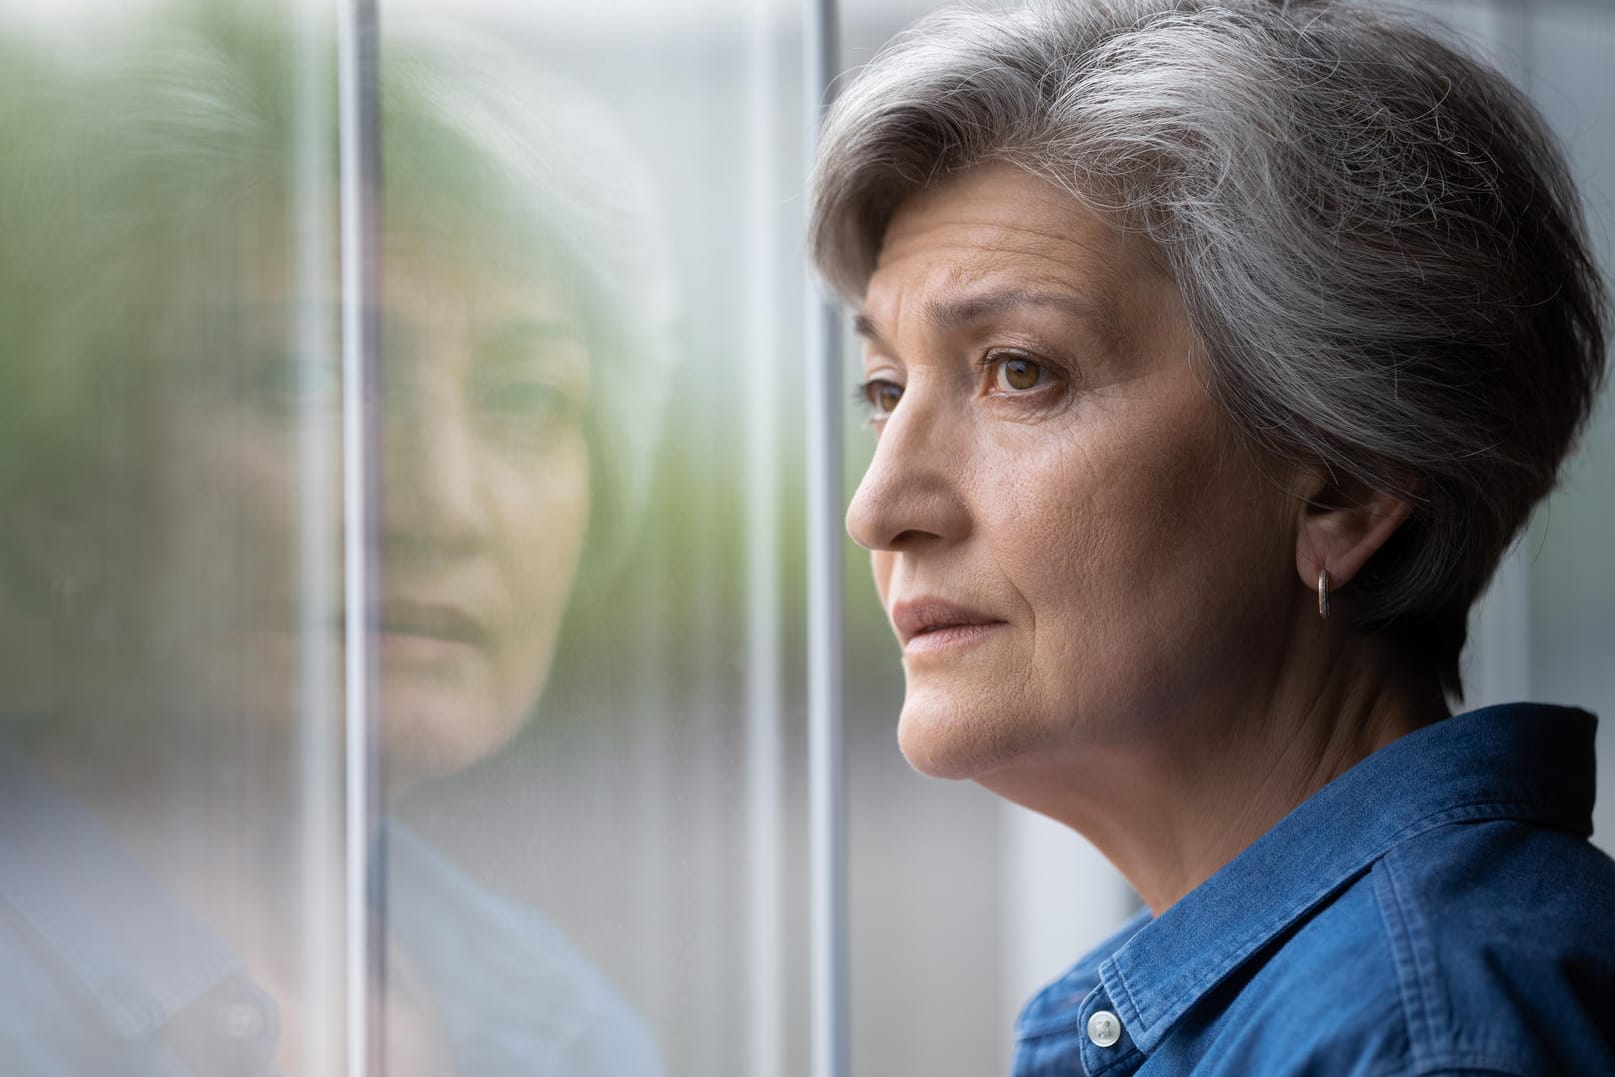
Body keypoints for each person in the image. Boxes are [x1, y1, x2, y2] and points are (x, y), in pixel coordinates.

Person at [810, 1, 1614, 1073]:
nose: (878, 507)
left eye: (1019, 372)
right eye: (883, 387)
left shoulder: (1425, 1040)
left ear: (1349, 488)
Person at [0, 4, 671, 1074]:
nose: (444, 506)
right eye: (303, 380)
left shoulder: (561, 1024)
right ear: (61, 487)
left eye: (527, 400)